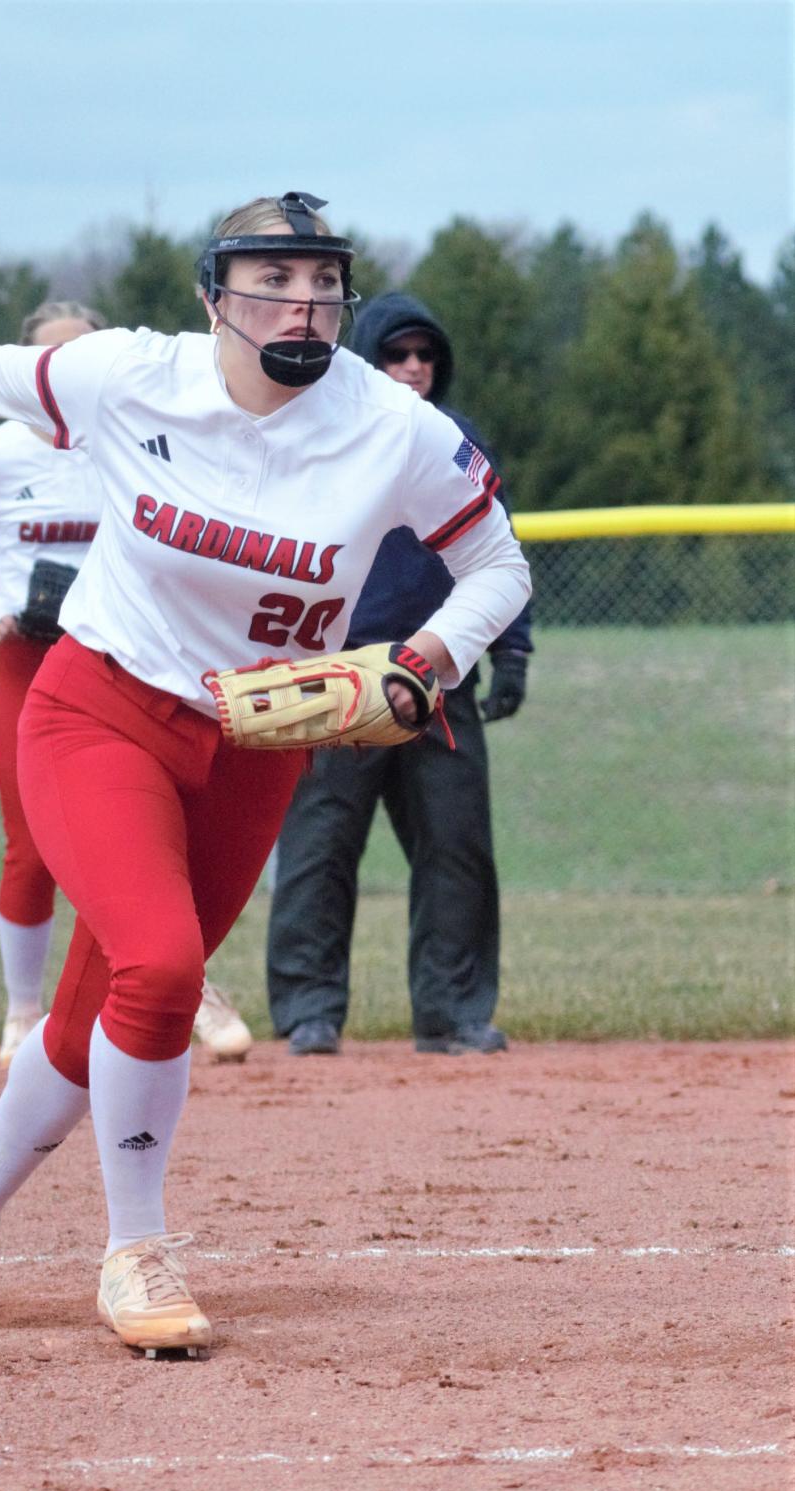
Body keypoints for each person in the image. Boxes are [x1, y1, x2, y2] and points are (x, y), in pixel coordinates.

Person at [0, 191, 531, 1359]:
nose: (301, 299)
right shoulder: (131, 376)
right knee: (163, 970)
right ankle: (137, 1250)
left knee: (95, 1016)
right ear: (215, 296)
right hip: (99, 711)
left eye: (321, 280)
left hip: (253, 745)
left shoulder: (392, 424)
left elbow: (496, 566)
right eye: (272, 278)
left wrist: (424, 662)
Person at [0, 299, 254, 1068]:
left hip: (135, 657)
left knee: (154, 842)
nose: (73, 364)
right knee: (33, 849)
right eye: (56, 353)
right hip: (30, 655)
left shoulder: (143, 439)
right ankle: (22, 1012)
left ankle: (186, 986)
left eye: (88, 349)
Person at [266, 291, 534, 1058]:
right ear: (368, 361)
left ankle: (451, 1013)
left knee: (457, 849)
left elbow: (498, 558)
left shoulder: (457, 442)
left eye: (426, 356)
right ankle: (309, 1010)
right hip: (339, 676)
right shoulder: (317, 440)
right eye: (397, 354)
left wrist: (511, 652)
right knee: (319, 847)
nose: (413, 368)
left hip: (440, 678)